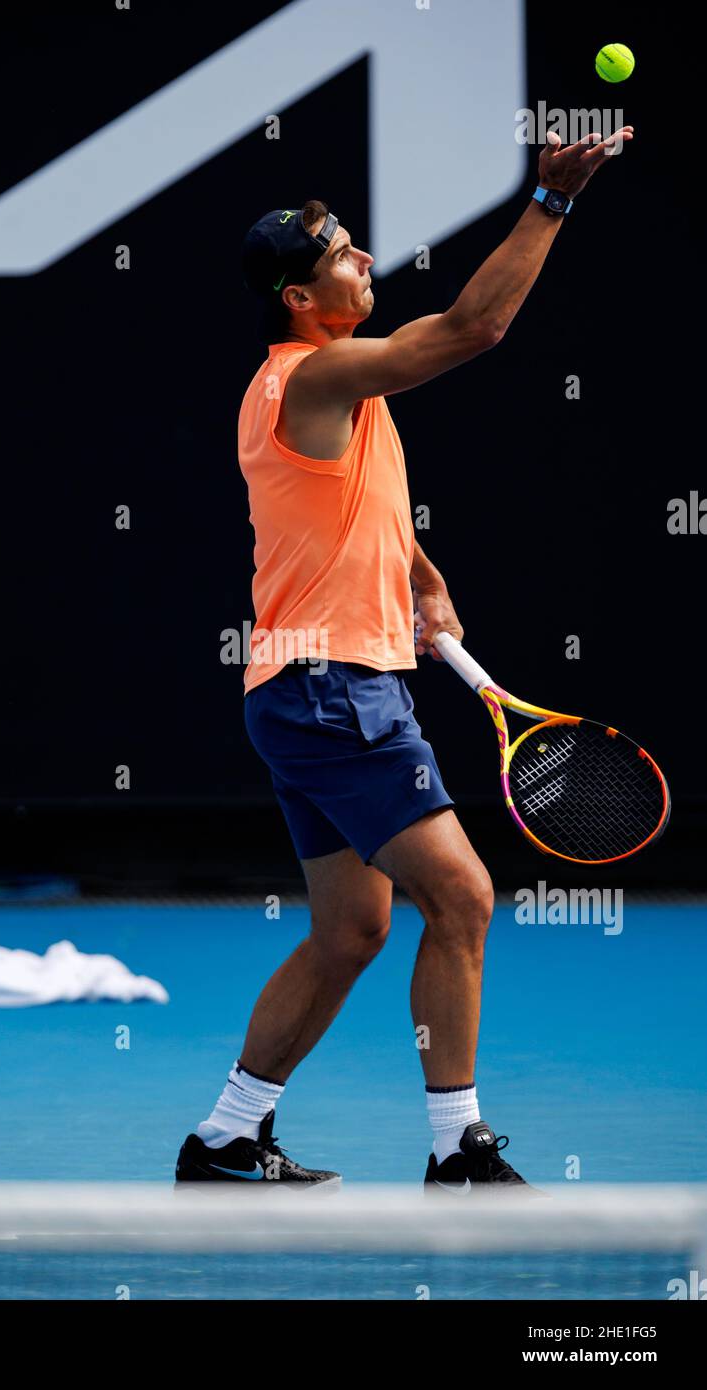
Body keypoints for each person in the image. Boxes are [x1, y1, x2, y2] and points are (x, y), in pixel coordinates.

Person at [176, 126, 634, 1191]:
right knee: (463, 898)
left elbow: (330, 513)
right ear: (299, 294)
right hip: (332, 687)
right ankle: (455, 1149)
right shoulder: (317, 373)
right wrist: (549, 203)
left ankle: (225, 1137)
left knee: (350, 928)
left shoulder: (318, 388)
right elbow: (474, 326)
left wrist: (416, 573)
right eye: (341, 252)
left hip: (299, 687)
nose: (365, 259)